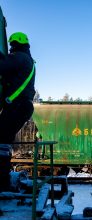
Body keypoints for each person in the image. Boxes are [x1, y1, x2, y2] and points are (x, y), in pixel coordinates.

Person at [0, 32, 36, 191]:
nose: (10, 48)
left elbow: (3, 65)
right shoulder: (26, 58)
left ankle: (2, 181)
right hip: (21, 106)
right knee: (4, 140)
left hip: (17, 106)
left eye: (12, 45)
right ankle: (2, 179)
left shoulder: (19, 57)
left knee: (1, 139)